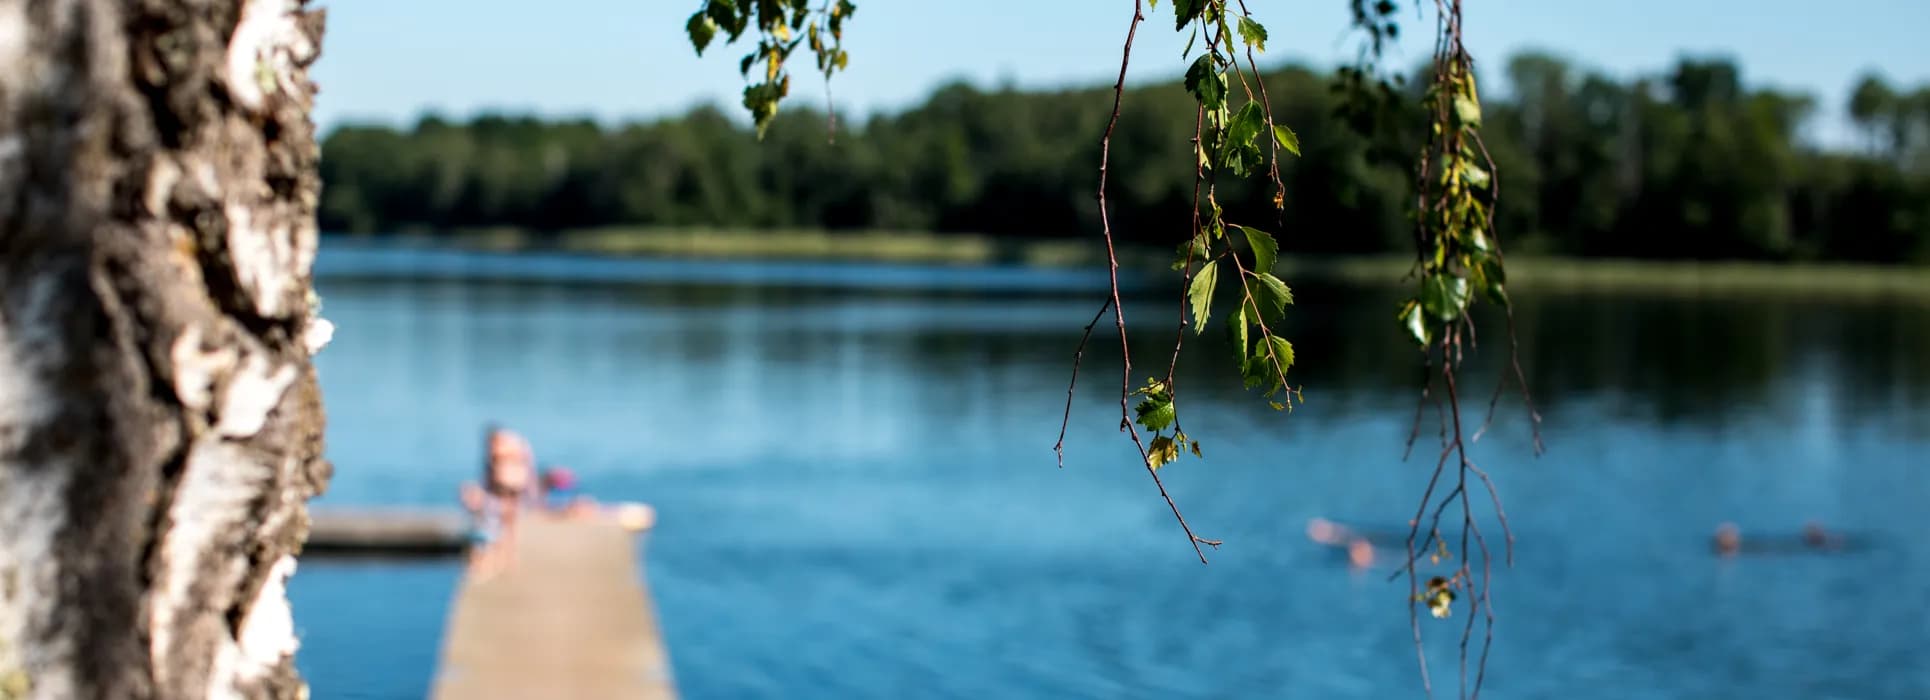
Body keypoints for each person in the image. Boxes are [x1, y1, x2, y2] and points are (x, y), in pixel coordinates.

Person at [460, 425, 536, 579]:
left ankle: (507, 558)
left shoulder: (510, 447)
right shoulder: (501, 450)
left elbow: (524, 471)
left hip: (513, 489)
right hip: (503, 490)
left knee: (508, 522)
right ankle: (501, 558)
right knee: (498, 523)